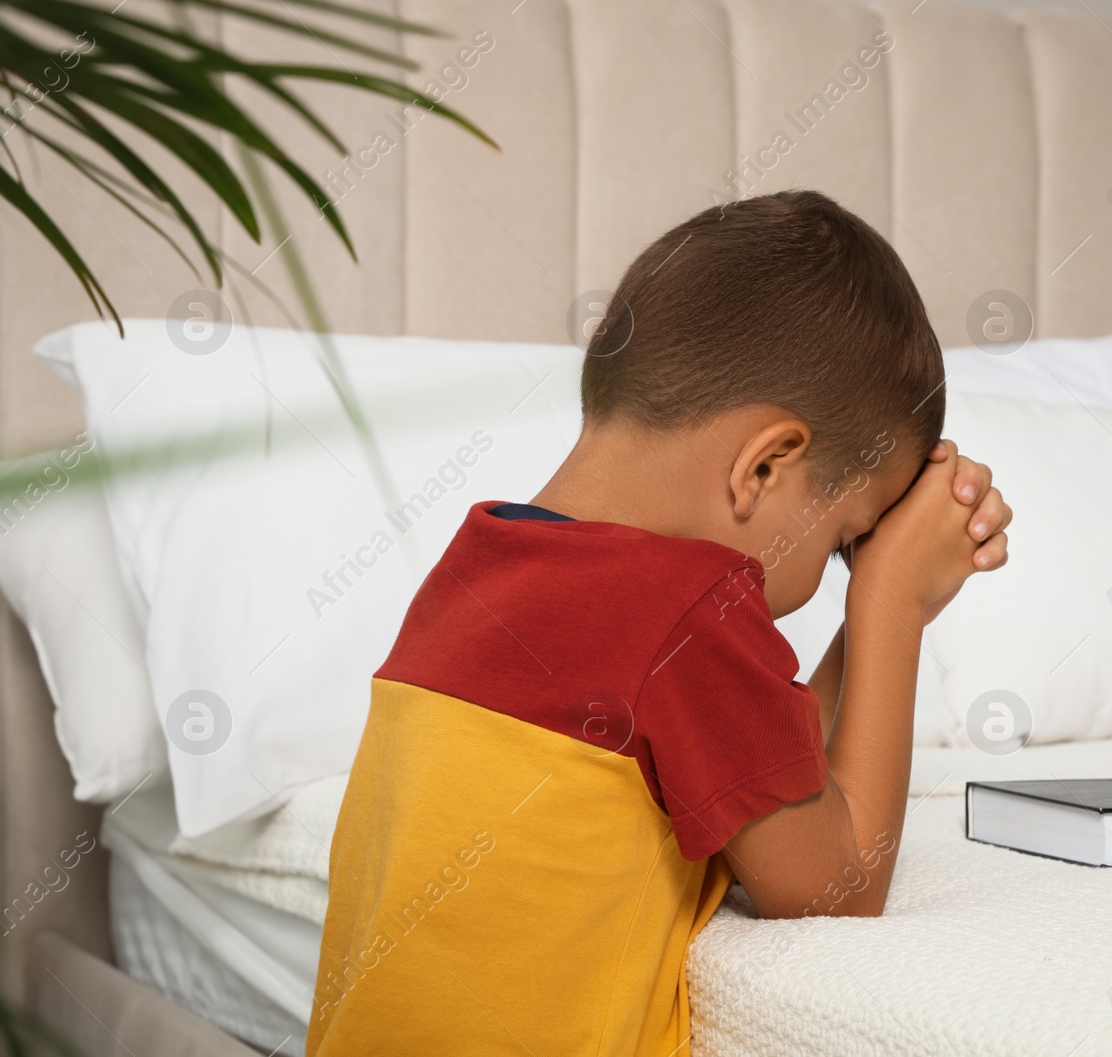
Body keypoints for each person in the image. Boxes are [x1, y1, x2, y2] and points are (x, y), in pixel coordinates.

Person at [307, 190, 1011, 1056]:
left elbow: (770, 767)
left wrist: (872, 602)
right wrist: (894, 611)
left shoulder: (475, 567)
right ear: (765, 467)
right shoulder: (686, 609)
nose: (847, 569)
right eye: (843, 542)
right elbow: (836, 886)